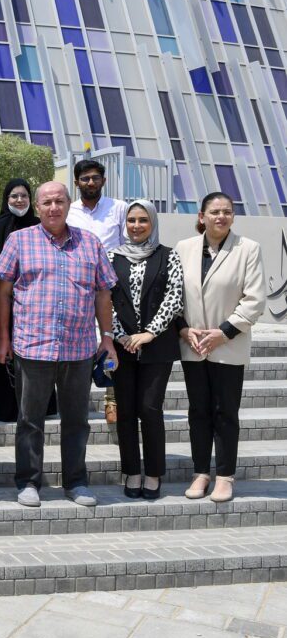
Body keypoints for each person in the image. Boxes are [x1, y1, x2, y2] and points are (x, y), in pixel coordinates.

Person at [0, 182, 117, 508]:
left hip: (78, 349)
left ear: (68, 204)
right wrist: (3, 338)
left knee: (76, 421)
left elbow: (104, 292)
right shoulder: (19, 241)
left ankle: (76, 482)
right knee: (30, 421)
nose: (53, 208)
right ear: (37, 207)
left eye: (59, 201)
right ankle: (29, 482)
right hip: (32, 347)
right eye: (47, 202)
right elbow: (3, 293)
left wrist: (107, 337)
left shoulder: (89, 243)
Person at [175, 192, 266, 503]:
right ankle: (201, 472)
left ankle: (225, 476)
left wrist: (223, 333)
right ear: (202, 216)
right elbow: (174, 298)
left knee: (225, 413)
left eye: (227, 211)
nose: (221, 217)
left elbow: (254, 301)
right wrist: (184, 330)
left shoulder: (248, 249)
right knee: (198, 412)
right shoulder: (184, 249)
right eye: (214, 211)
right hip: (193, 346)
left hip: (228, 346)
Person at [110, 200, 183, 500]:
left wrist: (150, 332)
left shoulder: (169, 255)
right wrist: (121, 334)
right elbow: (103, 298)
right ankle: (132, 472)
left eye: (143, 220)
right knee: (125, 411)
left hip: (158, 346)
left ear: (152, 223)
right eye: (131, 220)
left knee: (150, 409)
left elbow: (175, 295)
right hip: (121, 346)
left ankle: (153, 473)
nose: (137, 226)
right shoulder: (110, 256)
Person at [0, 179, 41, 422]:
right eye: (14, 196)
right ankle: (1, 407)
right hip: (1, 301)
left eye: (24, 196)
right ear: (6, 199)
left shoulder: (39, 225)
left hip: (33, 303)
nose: (19, 200)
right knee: (1, 353)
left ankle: (38, 407)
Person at [66, 159, 128, 252]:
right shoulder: (68, 211)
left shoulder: (119, 207)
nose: (91, 183)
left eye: (95, 178)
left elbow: (126, 243)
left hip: (112, 265)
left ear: (103, 181)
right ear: (76, 183)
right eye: (85, 179)